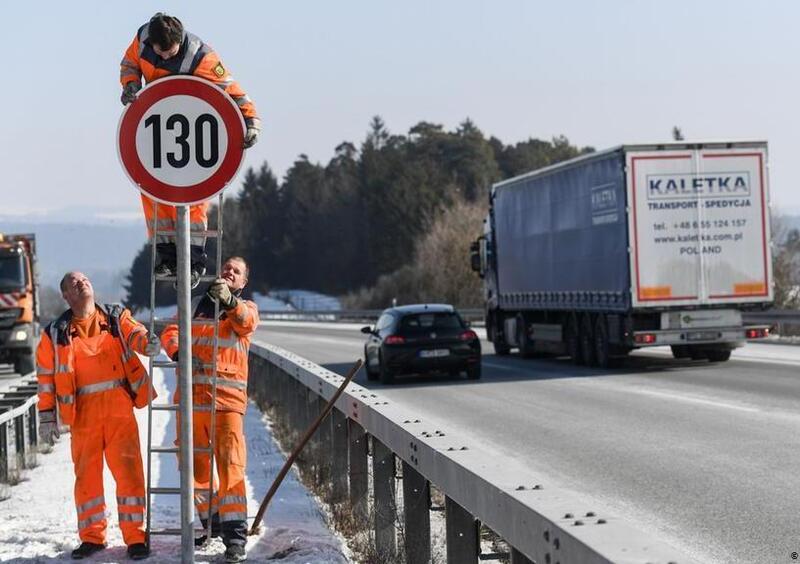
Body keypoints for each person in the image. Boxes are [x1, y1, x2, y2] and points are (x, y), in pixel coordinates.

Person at [120, 13, 261, 286]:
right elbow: (129, 64)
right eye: (161, 53)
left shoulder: (201, 57)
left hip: (193, 134)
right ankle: (165, 257)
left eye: (171, 53)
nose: (165, 58)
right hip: (156, 128)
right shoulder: (142, 39)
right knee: (152, 194)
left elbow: (231, 89)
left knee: (193, 201)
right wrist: (131, 84)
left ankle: (194, 260)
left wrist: (251, 120)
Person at [36, 272, 161, 560]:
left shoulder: (116, 317)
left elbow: (136, 333)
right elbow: (45, 379)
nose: (82, 283)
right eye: (74, 283)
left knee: (129, 475)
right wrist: (45, 415)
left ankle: (135, 538)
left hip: (119, 409)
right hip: (83, 415)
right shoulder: (54, 334)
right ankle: (92, 537)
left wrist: (147, 344)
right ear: (66, 296)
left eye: (84, 279)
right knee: (87, 478)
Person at [160, 257, 259, 563]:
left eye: (237, 271)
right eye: (227, 268)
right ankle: (213, 522)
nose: (229, 272)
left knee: (231, 469)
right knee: (194, 469)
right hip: (193, 402)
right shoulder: (194, 306)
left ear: (242, 283)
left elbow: (246, 323)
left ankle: (235, 538)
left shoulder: (246, 308)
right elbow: (171, 331)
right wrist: (178, 352)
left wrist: (229, 301)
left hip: (227, 403)